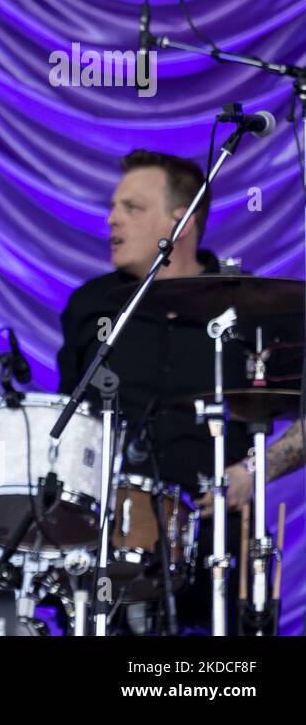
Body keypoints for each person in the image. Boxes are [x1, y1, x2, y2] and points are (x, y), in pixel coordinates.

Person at [57, 149, 301, 632]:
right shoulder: (93, 306)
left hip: (222, 541)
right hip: (112, 544)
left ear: (181, 221)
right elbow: (69, 426)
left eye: (132, 207)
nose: (111, 220)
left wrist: (258, 469)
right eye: (113, 207)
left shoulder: (254, 308)